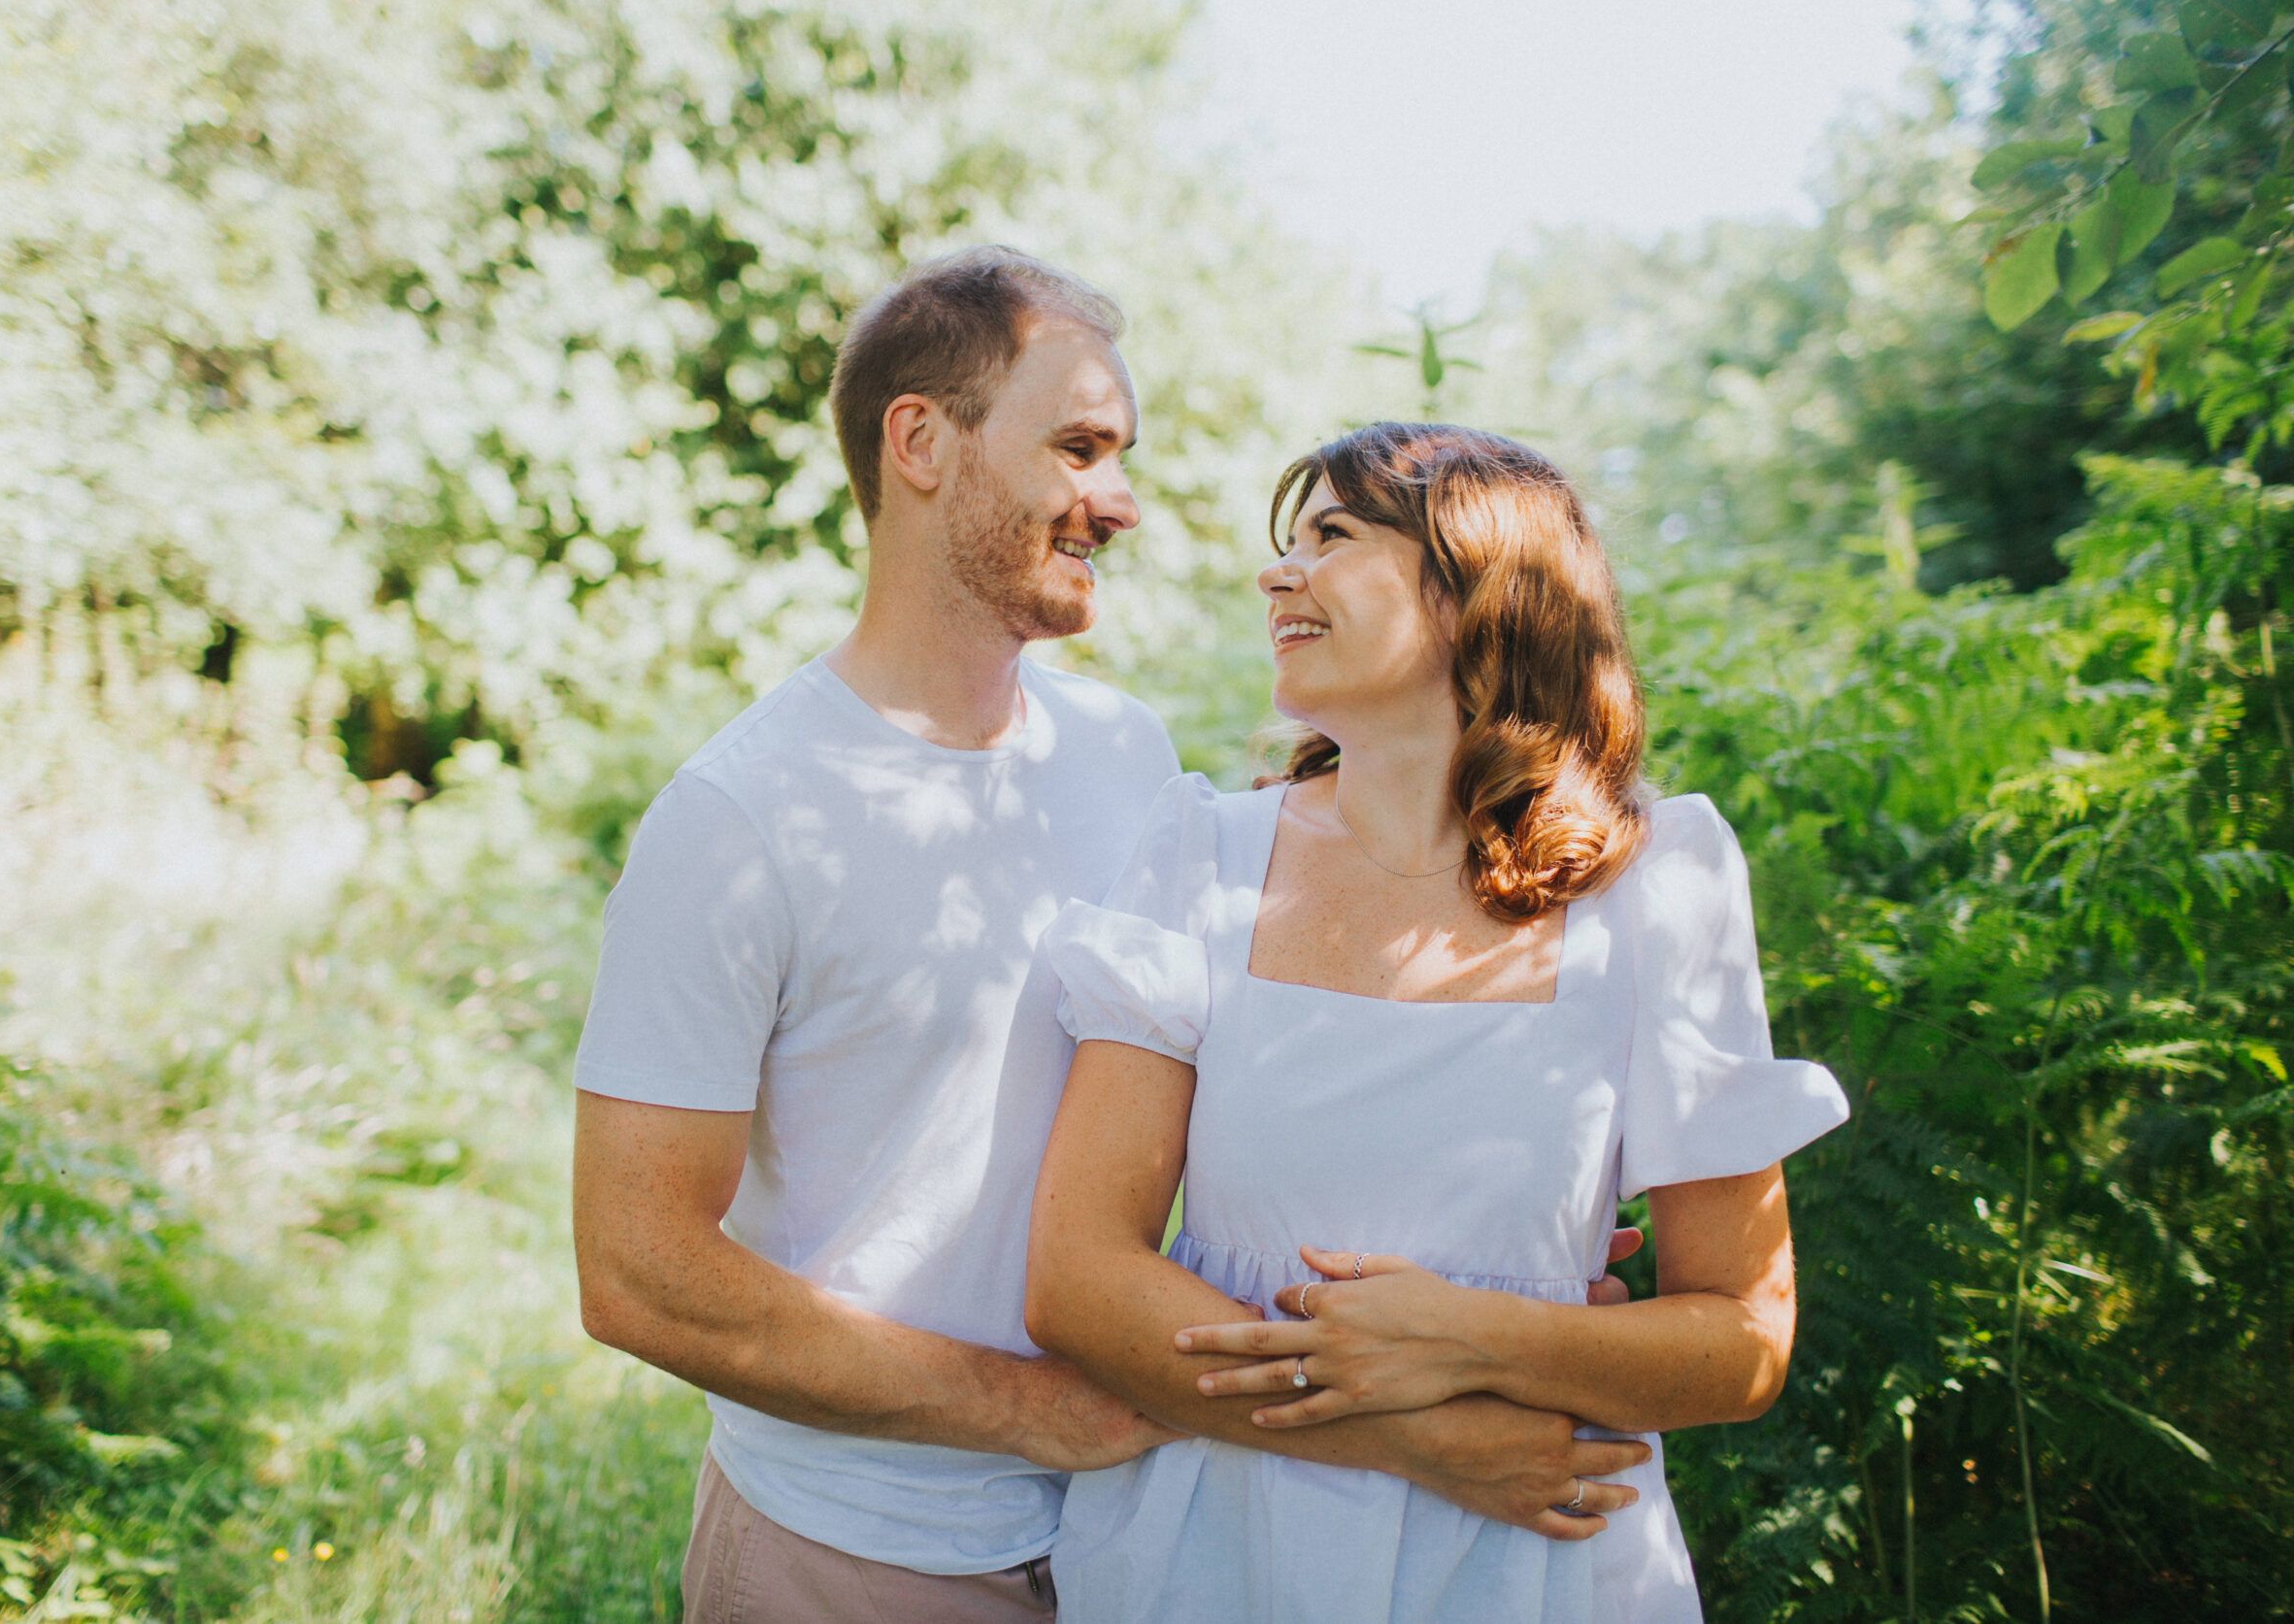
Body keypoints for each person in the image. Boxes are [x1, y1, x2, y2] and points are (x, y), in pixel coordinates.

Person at [572, 254, 1653, 1624]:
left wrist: (1484, 1234)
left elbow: (1220, 1084)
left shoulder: (1129, 758)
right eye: (1079, 448)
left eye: (1121, 455)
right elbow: (636, 1269)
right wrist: (1029, 1404)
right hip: (859, 1548)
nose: (1121, 501)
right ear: (920, 442)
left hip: (1156, 1530)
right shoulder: (742, 817)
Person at [1025, 422, 1851, 1623]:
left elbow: (1740, 1341)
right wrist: (1424, 1432)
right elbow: (1079, 1281)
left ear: (1481, 591)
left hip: (1535, 1557)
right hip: (1222, 1544)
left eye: (1334, 537)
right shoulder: (1200, 855)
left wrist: (1470, 1334)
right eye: (1286, 542)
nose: (1277, 573)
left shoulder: (1658, 878)